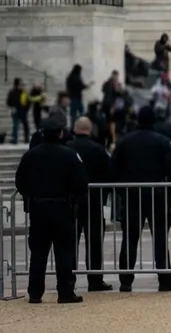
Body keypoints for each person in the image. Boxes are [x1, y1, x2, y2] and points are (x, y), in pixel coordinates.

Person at [14, 113, 88, 304]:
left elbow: (20, 181)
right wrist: (73, 198)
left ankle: (35, 292)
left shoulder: (31, 155)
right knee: (64, 251)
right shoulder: (69, 154)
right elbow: (81, 182)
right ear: (60, 133)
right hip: (62, 207)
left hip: (38, 207)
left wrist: (30, 195)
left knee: (38, 252)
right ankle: (65, 292)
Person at [112, 106, 171, 292]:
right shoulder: (163, 141)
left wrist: (122, 192)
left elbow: (114, 169)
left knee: (130, 238)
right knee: (160, 239)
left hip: (131, 194)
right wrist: (170, 196)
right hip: (156, 195)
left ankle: (125, 280)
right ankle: (164, 279)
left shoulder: (124, 141)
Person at [66, 117, 113, 292]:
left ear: (74, 129)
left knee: (70, 242)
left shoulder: (67, 148)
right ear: (90, 129)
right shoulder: (98, 149)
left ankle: (68, 278)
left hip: (71, 201)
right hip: (93, 200)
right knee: (94, 241)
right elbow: (109, 173)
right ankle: (95, 279)